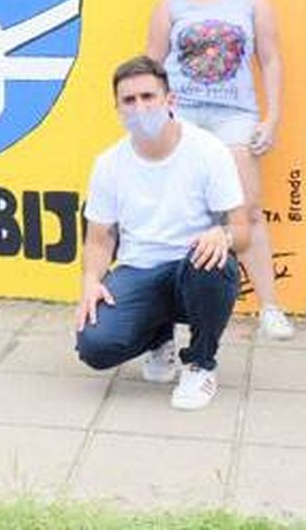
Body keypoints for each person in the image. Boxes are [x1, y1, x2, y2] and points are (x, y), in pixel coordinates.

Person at [145, 0, 293, 340]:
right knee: (177, 214)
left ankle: (270, 308)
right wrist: (154, 118)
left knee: (245, 211)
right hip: (182, 116)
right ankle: (166, 320)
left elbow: (270, 58)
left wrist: (272, 117)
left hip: (235, 116)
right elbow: (153, 60)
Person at [75, 56, 251, 410]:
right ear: (118, 108)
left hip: (194, 269)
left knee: (213, 264)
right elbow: (99, 238)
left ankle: (201, 364)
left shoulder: (208, 151)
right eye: (129, 101)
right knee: (95, 346)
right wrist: (91, 281)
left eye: (148, 97)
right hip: (139, 270)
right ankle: (159, 337)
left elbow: (244, 230)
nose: (139, 107)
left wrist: (223, 236)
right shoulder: (109, 164)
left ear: (170, 100)